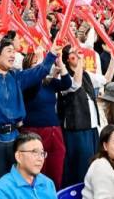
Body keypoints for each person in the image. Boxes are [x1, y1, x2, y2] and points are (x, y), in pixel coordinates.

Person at [0, 25, 62, 199]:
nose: (13, 55)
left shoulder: (16, 76)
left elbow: (39, 71)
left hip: (14, 139)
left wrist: (52, 54)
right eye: (9, 51)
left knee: (16, 187)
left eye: (14, 51)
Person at [58, 46, 114, 187]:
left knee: (95, 163)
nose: (78, 54)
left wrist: (113, 60)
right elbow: (75, 84)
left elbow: (106, 79)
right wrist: (80, 62)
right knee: (80, 167)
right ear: (67, 59)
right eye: (73, 53)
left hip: (92, 127)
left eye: (78, 52)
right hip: (76, 129)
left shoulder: (86, 74)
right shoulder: (63, 77)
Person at [20, 46, 72, 190]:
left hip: (55, 131)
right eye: (35, 63)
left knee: (56, 170)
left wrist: (60, 63)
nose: (41, 66)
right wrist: (42, 65)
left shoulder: (48, 83)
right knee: (36, 171)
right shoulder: (25, 83)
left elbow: (67, 83)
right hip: (33, 132)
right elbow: (35, 81)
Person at [0, 132, 56, 199]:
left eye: (42, 153)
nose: (40, 158)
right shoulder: (3, 190)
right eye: (34, 152)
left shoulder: (48, 183)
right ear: (18, 157)